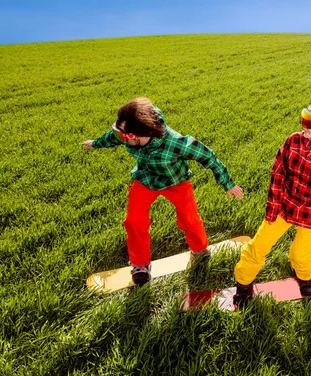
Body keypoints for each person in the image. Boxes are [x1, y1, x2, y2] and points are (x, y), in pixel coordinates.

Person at [82, 97, 243, 286]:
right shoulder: (129, 136)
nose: (119, 138)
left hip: (176, 182)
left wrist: (228, 183)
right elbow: (111, 138)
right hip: (145, 179)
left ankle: (200, 250)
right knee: (134, 220)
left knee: (189, 219)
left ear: (137, 136)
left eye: (122, 136)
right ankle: (140, 265)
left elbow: (208, 156)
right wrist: (96, 143)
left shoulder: (177, 144)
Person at [233, 98, 311, 306]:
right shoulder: (293, 141)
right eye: (303, 116)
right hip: (285, 206)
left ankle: (305, 276)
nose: (302, 124)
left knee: (300, 255)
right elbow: (278, 172)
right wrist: (273, 207)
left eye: (309, 121)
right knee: (257, 246)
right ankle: (243, 285)